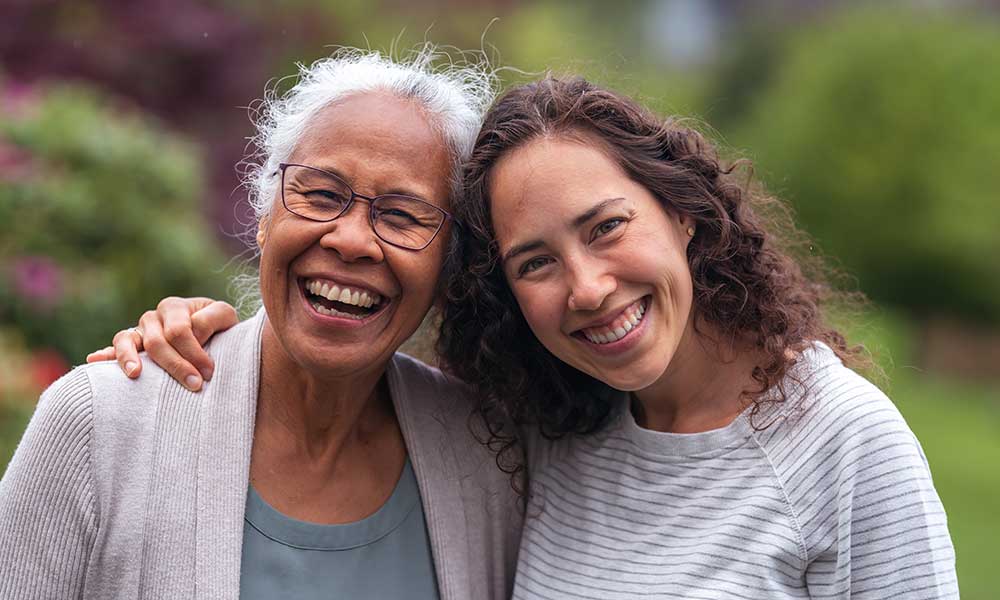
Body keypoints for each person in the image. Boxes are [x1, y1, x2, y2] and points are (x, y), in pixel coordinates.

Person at [91, 77, 959, 598]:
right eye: (535, 262)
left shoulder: (843, 443)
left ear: (686, 213)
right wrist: (209, 329)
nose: (588, 287)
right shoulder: (546, 429)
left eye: (608, 226)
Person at [0, 47, 522, 599]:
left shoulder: (488, 457)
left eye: (400, 215)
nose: (349, 239)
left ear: (448, 267)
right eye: (320, 195)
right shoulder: (101, 424)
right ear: (264, 218)